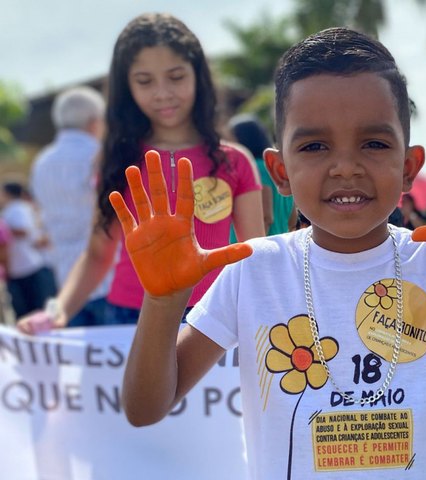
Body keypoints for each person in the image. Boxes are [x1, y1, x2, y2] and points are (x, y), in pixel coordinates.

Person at [117, 27, 426, 479]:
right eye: (314, 146)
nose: (346, 167)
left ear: (409, 167)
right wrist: (163, 300)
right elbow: (145, 408)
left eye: (374, 143)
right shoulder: (253, 270)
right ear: (280, 172)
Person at [17, 13, 265, 334]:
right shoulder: (118, 158)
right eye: (145, 81)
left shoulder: (236, 161)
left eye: (176, 77)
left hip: (214, 320)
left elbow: (256, 259)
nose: (162, 93)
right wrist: (53, 311)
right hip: (127, 321)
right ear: (126, 86)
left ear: (198, 76)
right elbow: (96, 256)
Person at [29, 86, 113, 327]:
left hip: (65, 281)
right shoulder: (100, 155)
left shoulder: (41, 163)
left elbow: (40, 214)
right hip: (108, 278)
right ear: (94, 121)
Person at [228, 113, 297, 236]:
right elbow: (292, 219)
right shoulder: (278, 167)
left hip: (256, 249)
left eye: (231, 139)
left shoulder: (255, 168)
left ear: (243, 139)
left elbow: (265, 217)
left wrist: (257, 252)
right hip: (280, 244)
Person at [1, 182, 57, 318]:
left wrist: (5, 232)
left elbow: (24, 231)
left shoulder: (17, 208)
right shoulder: (17, 209)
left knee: (35, 311)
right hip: (22, 268)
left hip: (28, 267)